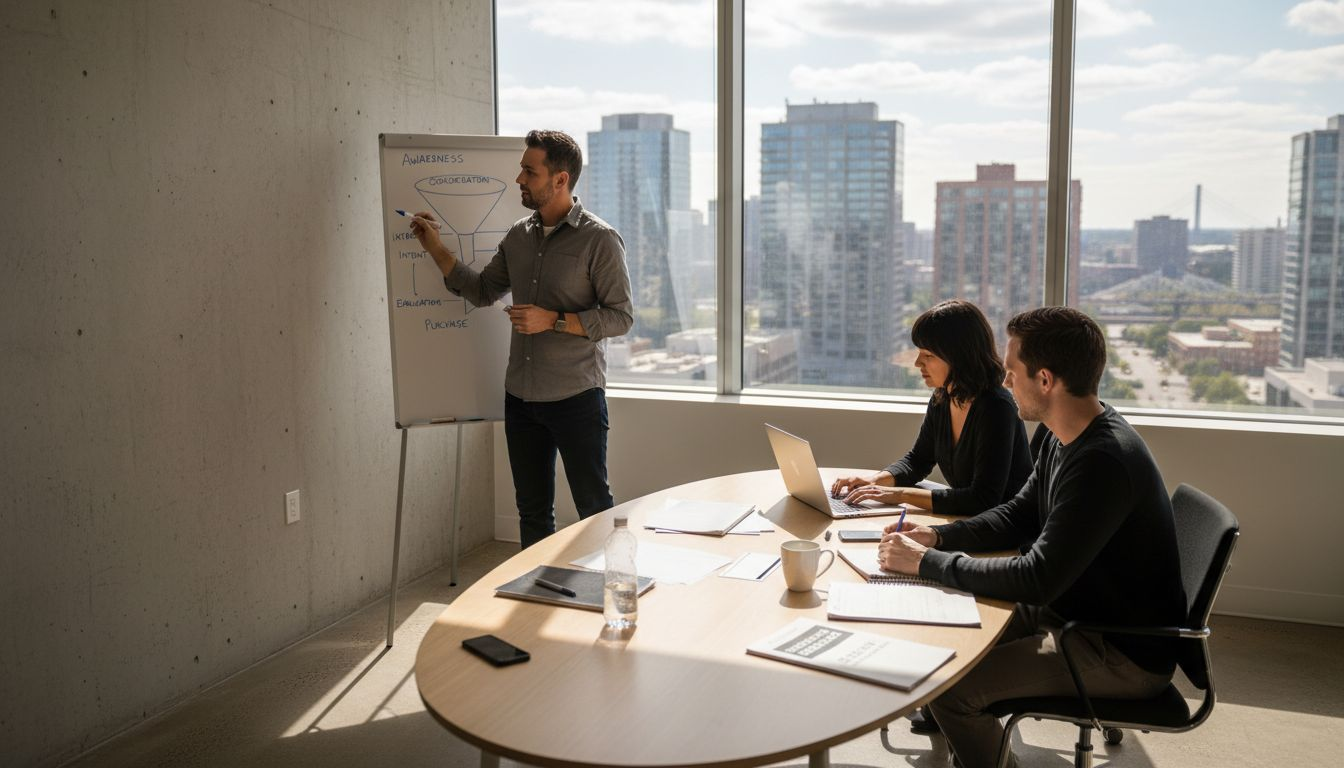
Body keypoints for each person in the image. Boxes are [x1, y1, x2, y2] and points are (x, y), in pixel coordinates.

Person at [876, 306, 1186, 768]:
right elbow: (1018, 515)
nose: (1004, 381)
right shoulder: (1060, 435)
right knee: (939, 639)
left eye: (1011, 371)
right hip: (1071, 612)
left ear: (1044, 380)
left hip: (1118, 649)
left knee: (950, 688)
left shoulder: (1103, 462)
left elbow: (1038, 578)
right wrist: (938, 539)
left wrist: (924, 563)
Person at [410, 129, 633, 548]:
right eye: (521, 170)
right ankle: (537, 587)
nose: (519, 180)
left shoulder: (599, 239)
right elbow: (482, 291)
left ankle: (612, 585)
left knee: (594, 507)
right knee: (531, 513)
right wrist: (435, 247)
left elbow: (621, 317)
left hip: (576, 398)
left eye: (530, 172)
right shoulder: (518, 235)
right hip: (521, 399)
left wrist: (553, 320)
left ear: (560, 179)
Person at [830, 299, 1031, 516]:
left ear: (959, 357)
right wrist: (873, 482)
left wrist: (901, 495)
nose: (918, 363)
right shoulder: (942, 397)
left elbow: (983, 499)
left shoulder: (996, 408)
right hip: (971, 520)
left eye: (928, 355)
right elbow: (918, 460)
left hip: (1007, 527)